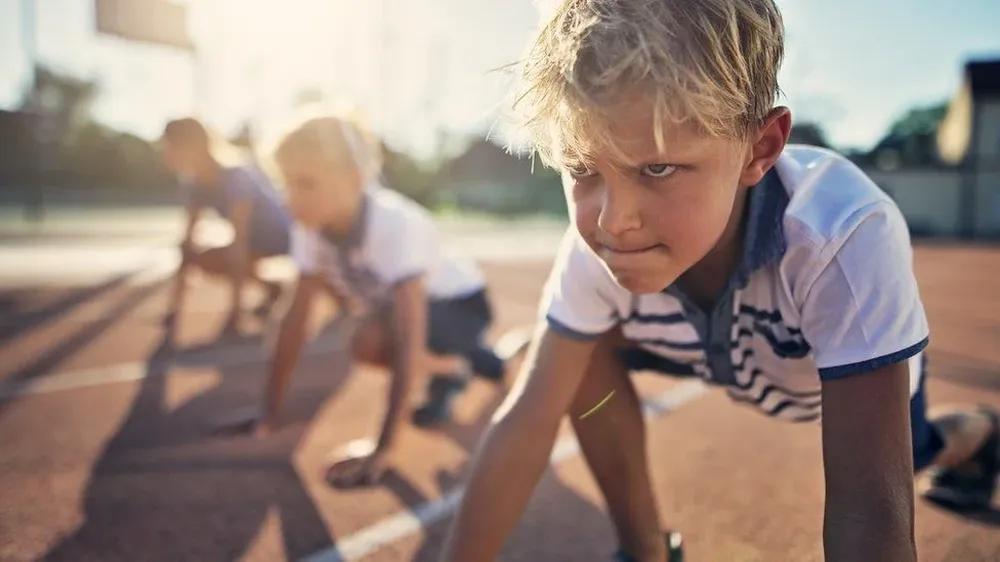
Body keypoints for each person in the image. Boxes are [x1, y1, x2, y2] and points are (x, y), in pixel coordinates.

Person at [440, 1, 1000, 561]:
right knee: (573, 354)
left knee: (908, 457)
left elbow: (869, 519)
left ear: (759, 149)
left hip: (826, 380)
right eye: (581, 168)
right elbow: (527, 421)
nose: (613, 221)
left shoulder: (842, 236)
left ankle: (976, 433)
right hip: (698, 348)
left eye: (657, 168)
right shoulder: (596, 250)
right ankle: (645, 549)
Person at [215, 108, 519, 487]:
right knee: (369, 340)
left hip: (462, 307)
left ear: (355, 179)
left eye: (305, 183)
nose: (288, 199)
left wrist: (384, 446)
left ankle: (471, 364)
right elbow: (294, 320)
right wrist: (268, 412)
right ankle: (453, 369)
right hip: (407, 317)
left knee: (371, 339)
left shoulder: (393, 225)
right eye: (285, 182)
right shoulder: (312, 226)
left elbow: (408, 335)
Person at [159, 117, 292, 336]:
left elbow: (239, 240)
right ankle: (272, 288)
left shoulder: (235, 176)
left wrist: (235, 313)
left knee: (233, 255)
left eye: (170, 146)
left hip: (283, 235)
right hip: (253, 240)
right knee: (196, 256)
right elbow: (188, 242)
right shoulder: (195, 184)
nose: (166, 154)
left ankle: (341, 293)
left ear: (193, 146)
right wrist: (173, 309)